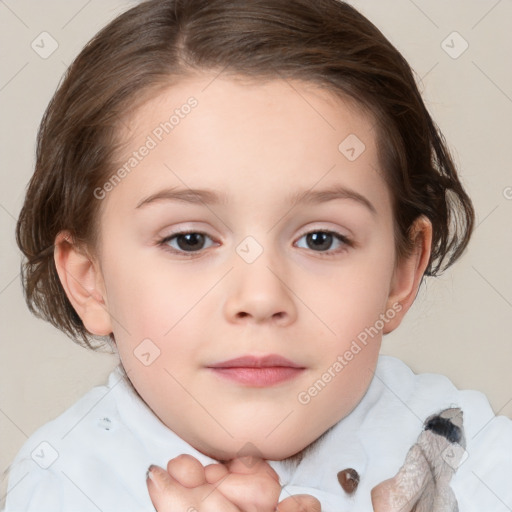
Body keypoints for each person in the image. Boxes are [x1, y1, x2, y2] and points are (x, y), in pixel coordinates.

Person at [5, 0, 512, 510]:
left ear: (402, 273)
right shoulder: (62, 485)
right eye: (189, 240)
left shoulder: (472, 460)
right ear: (90, 280)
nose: (261, 297)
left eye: (321, 238)